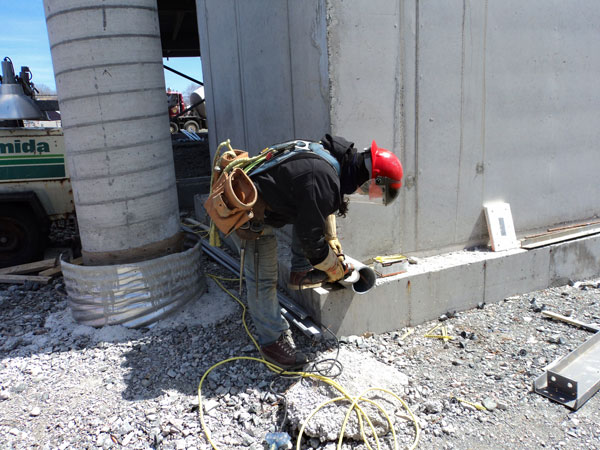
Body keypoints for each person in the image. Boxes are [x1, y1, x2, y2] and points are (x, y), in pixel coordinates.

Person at [229, 134, 403, 369]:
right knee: (263, 279)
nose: (363, 194)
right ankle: (271, 341)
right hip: (250, 210)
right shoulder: (324, 178)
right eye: (369, 190)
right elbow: (313, 242)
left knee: (309, 221)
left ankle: (299, 272)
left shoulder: (335, 162)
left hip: (273, 200)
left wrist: (331, 239)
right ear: (369, 178)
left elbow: (317, 204)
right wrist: (335, 269)